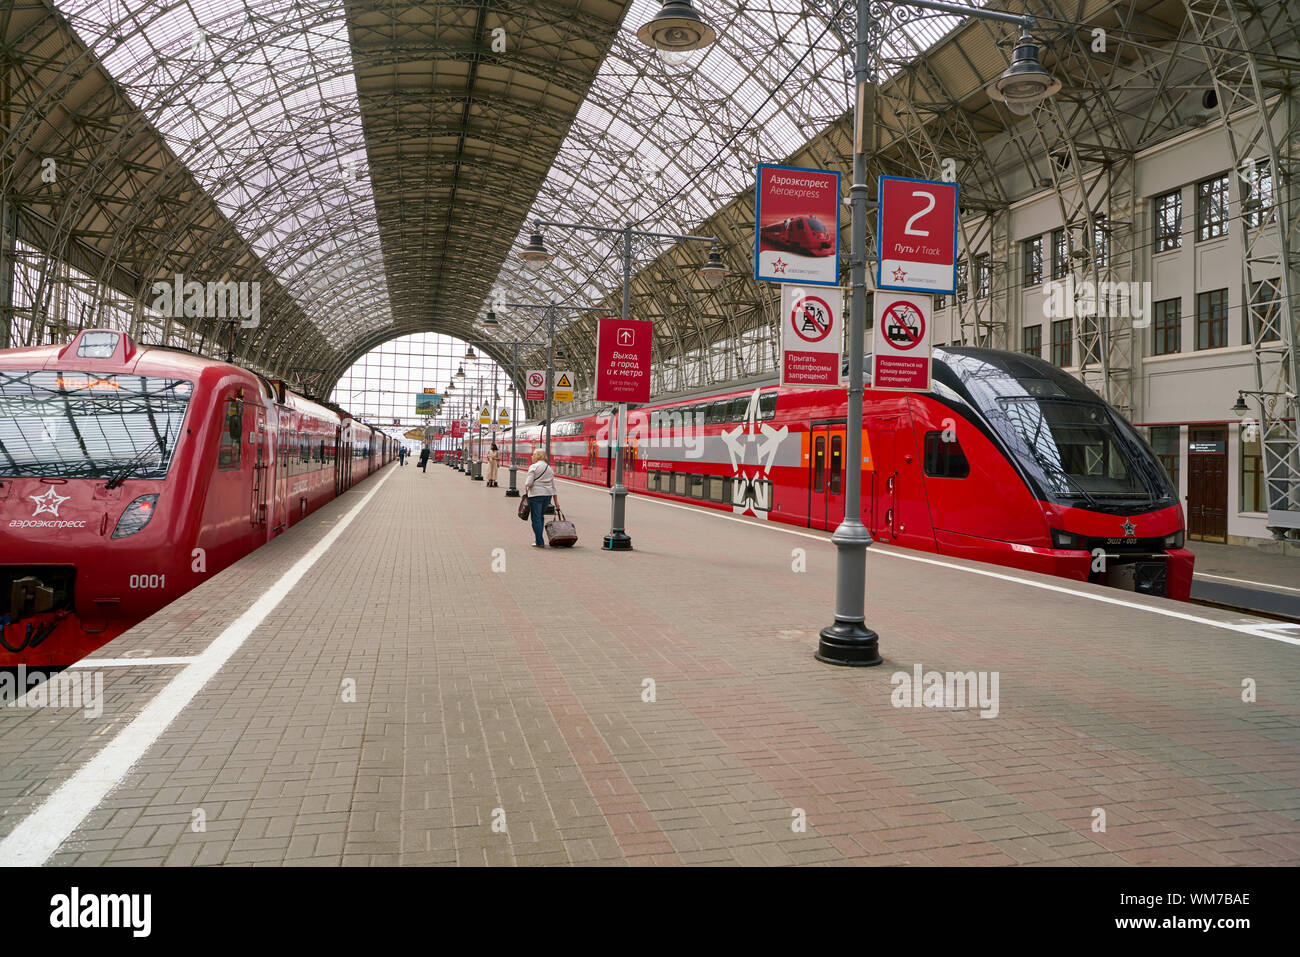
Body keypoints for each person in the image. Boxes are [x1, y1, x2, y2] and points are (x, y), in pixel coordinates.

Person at [521, 449, 557, 548]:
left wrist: (528, 485)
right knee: (540, 517)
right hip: (547, 495)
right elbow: (553, 485)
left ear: (538, 456)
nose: (532, 456)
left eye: (533, 455)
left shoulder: (533, 467)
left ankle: (539, 542)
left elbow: (528, 483)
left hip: (536, 494)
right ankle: (539, 539)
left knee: (536, 519)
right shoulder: (549, 468)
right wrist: (556, 502)